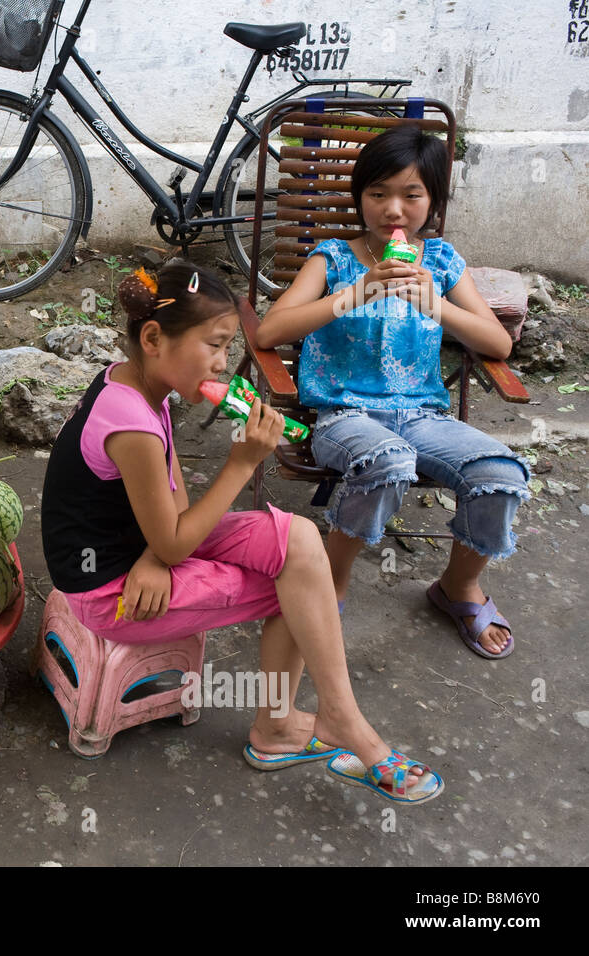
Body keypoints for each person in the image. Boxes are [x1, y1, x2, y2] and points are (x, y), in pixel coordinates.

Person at [40, 261, 443, 804]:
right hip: (109, 590)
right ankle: (308, 725)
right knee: (297, 585)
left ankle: (304, 721)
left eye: (227, 348)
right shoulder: (128, 420)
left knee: (299, 541)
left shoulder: (138, 384)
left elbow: (175, 502)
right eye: (215, 345)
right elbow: (174, 536)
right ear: (155, 337)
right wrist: (242, 463)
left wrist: (158, 555)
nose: (222, 363)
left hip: (142, 550)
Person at [257, 126, 528, 660]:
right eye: (378, 194)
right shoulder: (333, 259)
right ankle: (331, 583)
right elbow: (269, 332)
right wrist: (358, 291)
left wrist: (437, 304)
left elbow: (498, 342)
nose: (394, 210)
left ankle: (459, 588)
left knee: (500, 473)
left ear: (433, 200)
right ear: (360, 197)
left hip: (424, 415)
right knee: (389, 461)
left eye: (412, 195)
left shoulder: (443, 262)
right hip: (346, 414)